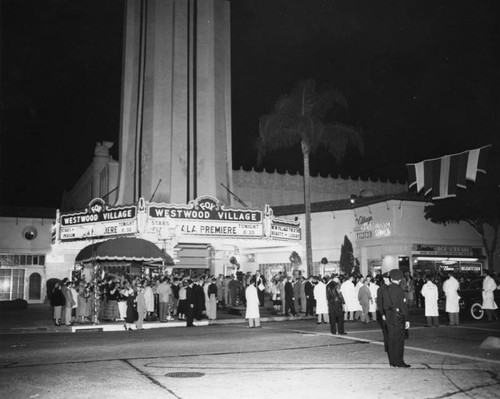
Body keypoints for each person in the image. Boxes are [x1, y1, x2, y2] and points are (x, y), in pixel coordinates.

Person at [380, 269, 410, 368]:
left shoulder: (385, 289)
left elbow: (384, 305)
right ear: (400, 279)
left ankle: (392, 362)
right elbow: (403, 306)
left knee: (391, 339)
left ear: (391, 278)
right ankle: (399, 362)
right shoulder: (399, 290)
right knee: (399, 341)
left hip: (389, 317)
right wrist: (407, 319)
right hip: (398, 318)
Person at [376, 272, 390, 352]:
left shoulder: (393, 287)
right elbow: (380, 303)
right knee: (386, 331)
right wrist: (382, 314)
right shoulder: (381, 289)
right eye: (387, 278)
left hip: (393, 313)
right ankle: (387, 347)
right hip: (385, 312)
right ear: (384, 279)